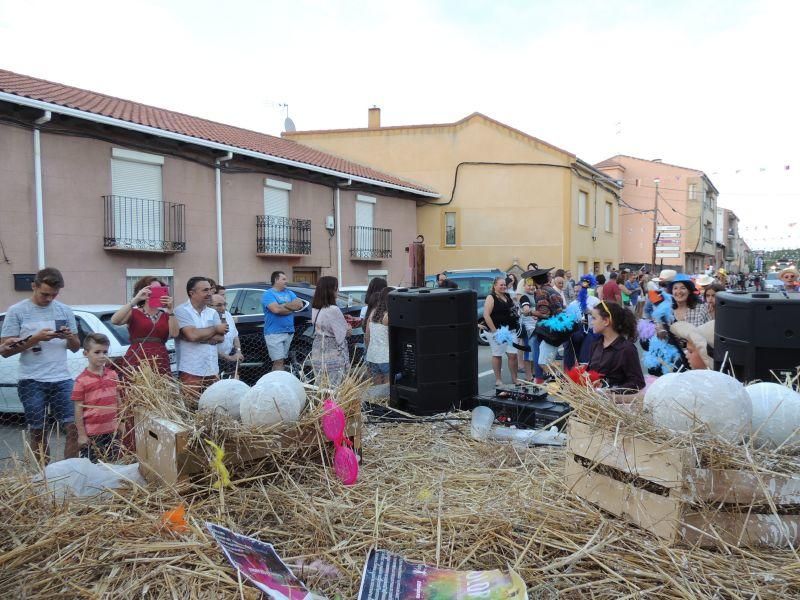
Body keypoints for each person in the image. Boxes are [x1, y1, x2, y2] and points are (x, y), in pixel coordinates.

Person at [1, 267, 80, 463]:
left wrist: (70, 337)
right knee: (37, 429)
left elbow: (76, 347)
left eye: (54, 294)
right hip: (31, 380)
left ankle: (69, 472)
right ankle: (44, 476)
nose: (49, 298)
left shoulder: (64, 310)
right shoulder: (17, 311)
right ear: (34, 286)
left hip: (62, 378)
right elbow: (5, 350)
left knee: (74, 427)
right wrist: (34, 339)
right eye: (45, 294)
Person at [71, 333, 124, 462]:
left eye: (105, 352)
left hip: (112, 430)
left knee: (113, 464)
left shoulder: (112, 374)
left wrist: (121, 422)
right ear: (85, 353)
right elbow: (78, 411)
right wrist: (82, 434)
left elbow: (118, 401)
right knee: (93, 467)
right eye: (97, 352)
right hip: (92, 434)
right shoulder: (81, 381)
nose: (102, 356)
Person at [111, 276, 178, 375]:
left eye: (159, 289)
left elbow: (175, 334)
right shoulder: (134, 312)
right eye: (151, 289)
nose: (155, 292)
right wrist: (135, 300)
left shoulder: (165, 314)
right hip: (137, 357)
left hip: (160, 358)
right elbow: (115, 320)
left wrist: (170, 310)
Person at [174, 277, 227, 394]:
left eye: (210, 290)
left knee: (213, 407)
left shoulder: (212, 312)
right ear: (192, 293)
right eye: (205, 290)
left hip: (212, 368)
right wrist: (215, 329)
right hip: (191, 370)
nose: (209, 293)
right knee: (190, 407)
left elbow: (221, 337)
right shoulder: (181, 311)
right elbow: (192, 335)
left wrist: (197, 336)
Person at [588, 301, 645, 393]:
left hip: (614, 404)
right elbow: (592, 371)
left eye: (594, 318)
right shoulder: (596, 344)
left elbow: (637, 382)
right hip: (593, 400)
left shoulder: (626, 349)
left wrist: (611, 390)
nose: (591, 322)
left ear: (606, 321)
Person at [310, 276, 351, 385]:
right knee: (335, 385)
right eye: (336, 288)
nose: (337, 291)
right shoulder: (333, 309)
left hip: (318, 350)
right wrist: (349, 328)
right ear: (330, 290)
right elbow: (342, 334)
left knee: (322, 384)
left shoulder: (316, 308)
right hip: (332, 353)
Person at [262, 271, 305, 372]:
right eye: (284, 279)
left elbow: (299, 305)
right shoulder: (268, 294)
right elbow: (276, 310)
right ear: (276, 280)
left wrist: (283, 305)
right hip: (274, 332)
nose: (287, 281)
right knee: (279, 361)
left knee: (280, 361)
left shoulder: (289, 293)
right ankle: (278, 384)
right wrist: (291, 307)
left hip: (288, 331)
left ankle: (275, 382)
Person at [528, 267, 564, 384]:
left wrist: (529, 312)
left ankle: (542, 379)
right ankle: (545, 379)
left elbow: (544, 313)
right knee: (545, 358)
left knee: (542, 359)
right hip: (556, 328)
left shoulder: (541, 291)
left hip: (547, 329)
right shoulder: (553, 290)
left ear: (535, 281)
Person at [483, 276, 519, 386]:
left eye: (504, 284)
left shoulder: (507, 296)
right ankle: (498, 379)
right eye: (501, 285)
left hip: (510, 330)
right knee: (497, 354)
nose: (503, 286)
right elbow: (486, 315)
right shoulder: (491, 297)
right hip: (497, 331)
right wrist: (495, 331)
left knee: (513, 355)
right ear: (495, 286)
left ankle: (515, 379)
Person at [364, 287, 393, 384]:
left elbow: (367, 337)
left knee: (377, 391)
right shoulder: (388, 316)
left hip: (372, 356)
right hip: (386, 357)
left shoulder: (372, 313)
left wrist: (369, 350)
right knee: (387, 391)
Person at [211, 293, 243, 376]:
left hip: (230, 354)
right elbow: (211, 346)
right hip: (216, 359)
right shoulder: (208, 319)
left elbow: (235, 335)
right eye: (219, 305)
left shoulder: (227, 315)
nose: (223, 308)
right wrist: (229, 358)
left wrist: (238, 351)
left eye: (225, 304)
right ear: (210, 306)